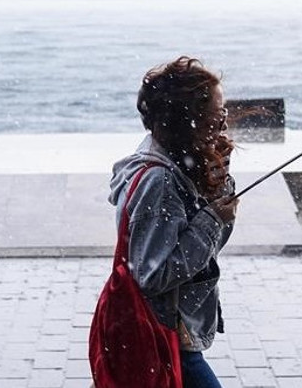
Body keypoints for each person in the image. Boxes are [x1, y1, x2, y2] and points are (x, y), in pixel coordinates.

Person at [108, 56, 238, 388]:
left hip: (165, 332)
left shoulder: (172, 166)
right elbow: (154, 274)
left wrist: (217, 187)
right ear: (188, 121)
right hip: (163, 334)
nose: (223, 126)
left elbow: (206, 251)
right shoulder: (160, 182)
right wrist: (211, 219)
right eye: (216, 116)